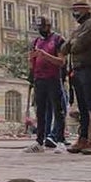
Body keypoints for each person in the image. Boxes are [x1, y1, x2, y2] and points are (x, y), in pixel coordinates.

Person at [65, 0, 91, 155]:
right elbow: (65, 47)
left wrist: (73, 42)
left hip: (89, 68)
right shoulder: (79, 28)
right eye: (74, 9)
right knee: (82, 106)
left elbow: (77, 45)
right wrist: (73, 42)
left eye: (78, 9)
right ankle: (83, 138)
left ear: (86, 10)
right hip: (78, 69)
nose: (75, 13)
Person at [28, 16, 64, 151]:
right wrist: (31, 62)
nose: (40, 30)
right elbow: (32, 61)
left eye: (42, 27)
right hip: (39, 79)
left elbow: (61, 61)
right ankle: (39, 140)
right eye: (38, 28)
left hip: (53, 78)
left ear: (48, 26)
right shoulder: (36, 41)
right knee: (40, 111)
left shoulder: (58, 40)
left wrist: (45, 55)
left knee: (57, 109)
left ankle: (60, 140)